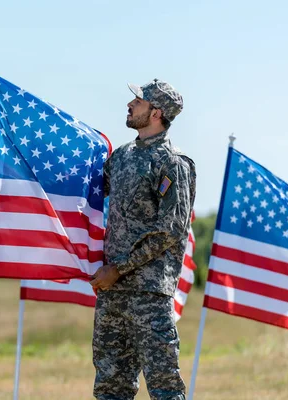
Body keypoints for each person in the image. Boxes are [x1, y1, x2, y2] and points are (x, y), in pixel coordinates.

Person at [90, 79, 196, 400]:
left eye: (138, 100)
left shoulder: (173, 163)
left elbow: (170, 230)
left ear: (156, 113)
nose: (130, 104)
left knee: (164, 390)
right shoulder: (121, 157)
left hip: (149, 295)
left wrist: (118, 268)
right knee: (110, 390)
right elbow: (88, 190)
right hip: (112, 292)